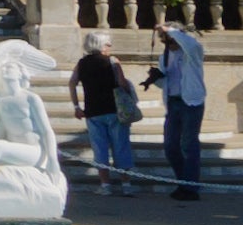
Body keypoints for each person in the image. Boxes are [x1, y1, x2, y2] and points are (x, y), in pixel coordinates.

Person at [143, 20, 209, 200]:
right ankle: (183, 182)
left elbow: (190, 42)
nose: (168, 44)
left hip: (191, 103)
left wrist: (169, 30)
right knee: (171, 147)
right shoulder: (165, 56)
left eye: (171, 40)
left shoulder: (192, 52)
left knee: (189, 144)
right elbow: (167, 82)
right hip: (173, 103)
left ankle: (190, 188)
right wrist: (154, 79)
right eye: (165, 41)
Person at [70, 30, 138, 195]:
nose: (110, 46)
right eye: (107, 43)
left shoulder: (82, 63)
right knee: (121, 146)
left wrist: (77, 106)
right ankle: (126, 185)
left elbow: (72, 83)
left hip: (93, 111)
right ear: (100, 45)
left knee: (99, 149)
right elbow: (122, 83)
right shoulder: (113, 61)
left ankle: (105, 185)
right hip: (114, 110)